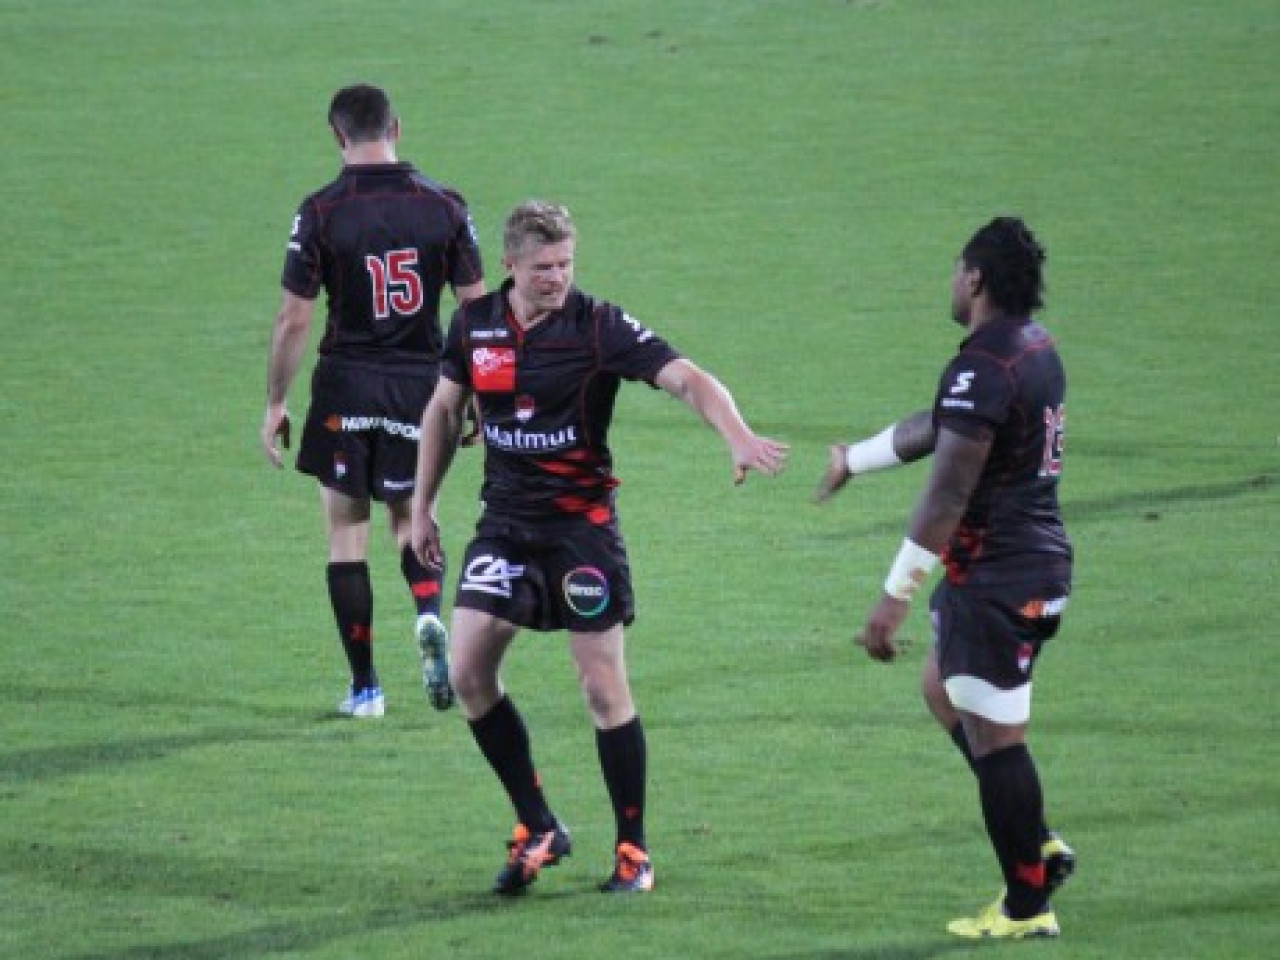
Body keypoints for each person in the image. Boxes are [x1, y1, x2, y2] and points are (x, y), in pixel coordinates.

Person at [410, 200, 788, 895]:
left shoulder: (598, 326)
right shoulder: (474, 325)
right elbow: (442, 409)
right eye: (543, 267)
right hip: (505, 526)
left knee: (602, 686)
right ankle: (539, 826)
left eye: (565, 264)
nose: (557, 277)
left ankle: (633, 851)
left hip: (580, 531)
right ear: (510, 265)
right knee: (467, 672)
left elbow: (687, 378)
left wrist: (735, 434)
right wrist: (422, 506)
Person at [817, 217, 1075, 938]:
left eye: (958, 269)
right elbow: (942, 425)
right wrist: (854, 459)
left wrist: (892, 599)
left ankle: (1027, 903)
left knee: (998, 742)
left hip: (996, 579)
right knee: (942, 689)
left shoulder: (982, 367)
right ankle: (1036, 844)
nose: (953, 281)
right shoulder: (1032, 348)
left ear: (976, 278)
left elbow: (947, 494)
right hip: (1036, 563)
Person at [260, 83, 485, 718]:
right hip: (422, 387)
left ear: (337, 135)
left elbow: (294, 319)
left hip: (346, 385)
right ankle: (426, 612)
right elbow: (476, 308)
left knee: (345, 534)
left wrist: (276, 401)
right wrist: (475, 396)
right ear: (397, 128)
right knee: (413, 520)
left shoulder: (320, 211)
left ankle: (366, 689)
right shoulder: (445, 205)